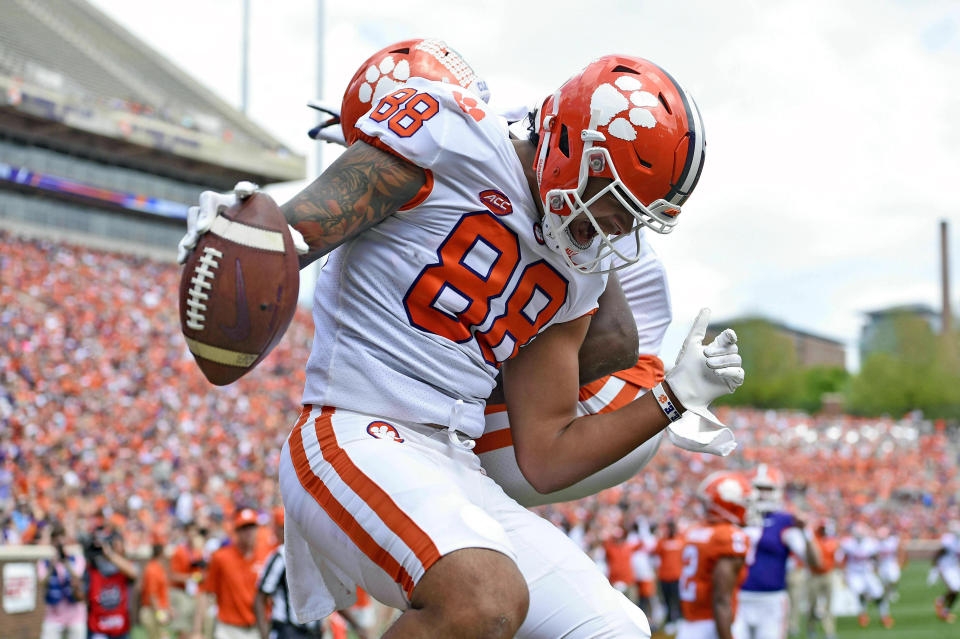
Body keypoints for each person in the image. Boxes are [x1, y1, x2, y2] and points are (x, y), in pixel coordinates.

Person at [181, 48, 741, 637]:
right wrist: (237, 235)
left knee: (615, 629)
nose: (617, 231)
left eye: (636, 217)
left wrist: (674, 396)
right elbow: (296, 235)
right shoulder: (450, 134)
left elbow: (548, 455)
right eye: (614, 203)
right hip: (351, 430)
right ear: (574, 147)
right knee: (482, 596)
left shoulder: (580, 268)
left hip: (455, 458)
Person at [732, 465, 821, 639]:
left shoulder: (785, 521)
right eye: (758, 488)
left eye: (767, 489)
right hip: (739, 597)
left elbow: (815, 561)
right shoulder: (736, 518)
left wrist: (806, 531)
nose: (762, 494)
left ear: (777, 491)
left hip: (771, 600)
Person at [254, 508, 368, 639]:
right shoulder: (281, 557)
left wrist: (356, 626)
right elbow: (260, 598)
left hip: (314, 632)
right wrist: (264, 634)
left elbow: (334, 597)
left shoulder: (320, 557)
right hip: (288, 630)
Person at [676, 472, 752, 639]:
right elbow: (721, 599)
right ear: (728, 504)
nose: (747, 508)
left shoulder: (696, 531)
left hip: (689, 624)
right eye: (743, 502)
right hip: (714, 625)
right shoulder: (728, 536)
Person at [192, 509, 267, 639]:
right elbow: (206, 592)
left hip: (257, 627)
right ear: (237, 531)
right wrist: (197, 631)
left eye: (252, 527)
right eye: (244, 528)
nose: (249, 532)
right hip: (228, 629)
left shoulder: (266, 555)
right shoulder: (221, 557)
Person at [84, 527, 139, 639]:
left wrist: (109, 554)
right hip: (98, 628)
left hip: (120, 628)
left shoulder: (124, 566)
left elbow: (133, 573)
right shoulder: (92, 569)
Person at [38, 524, 87, 639]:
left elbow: (77, 578)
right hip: (53, 613)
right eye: (56, 540)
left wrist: (66, 562)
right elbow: (42, 583)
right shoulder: (44, 561)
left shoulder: (76, 558)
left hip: (75, 614)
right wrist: (52, 565)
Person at [838, 522, 885, 628]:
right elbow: (841, 558)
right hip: (854, 573)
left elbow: (876, 557)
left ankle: (884, 615)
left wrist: (877, 567)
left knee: (878, 593)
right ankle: (863, 614)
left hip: (867, 573)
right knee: (859, 592)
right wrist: (843, 572)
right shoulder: (848, 544)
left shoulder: (870, 543)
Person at [169, 523, 207, 639]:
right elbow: (172, 575)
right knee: (183, 628)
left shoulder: (199, 551)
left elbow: (202, 573)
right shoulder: (180, 551)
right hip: (181, 591)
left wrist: (201, 576)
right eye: (191, 532)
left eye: (195, 532)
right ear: (186, 533)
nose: (193, 535)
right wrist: (190, 577)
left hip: (195, 592)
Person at [806, 520, 838, 639]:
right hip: (815, 575)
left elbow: (835, 558)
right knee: (813, 605)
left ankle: (829, 632)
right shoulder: (814, 540)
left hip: (828, 575)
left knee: (828, 605)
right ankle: (811, 629)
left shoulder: (831, 541)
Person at [654, 520, 685, 633]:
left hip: (677, 576)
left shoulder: (681, 540)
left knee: (678, 600)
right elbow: (655, 551)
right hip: (664, 576)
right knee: (667, 600)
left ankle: (679, 620)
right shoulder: (662, 541)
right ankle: (669, 621)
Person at [140, 543, 172, 639]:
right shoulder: (152, 569)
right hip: (152, 611)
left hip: (158, 609)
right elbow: (152, 595)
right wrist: (159, 614)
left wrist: (168, 609)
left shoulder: (159, 568)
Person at [875, 526, 904, 627]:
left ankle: (892, 591)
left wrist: (901, 561)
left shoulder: (893, 541)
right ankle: (888, 594)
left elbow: (900, 550)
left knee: (894, 579)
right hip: (882, 567)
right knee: (884, 587)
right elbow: (874, 556)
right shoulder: (876, 543)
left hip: (892, 564)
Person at [932, 519, 960, 623]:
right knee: (954, 589)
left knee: (956, 591)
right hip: (945, 567)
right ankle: (941, 603)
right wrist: (935, 568)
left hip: (954, 568)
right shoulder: (948, 540)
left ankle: (944, 609)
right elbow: (939, 553)